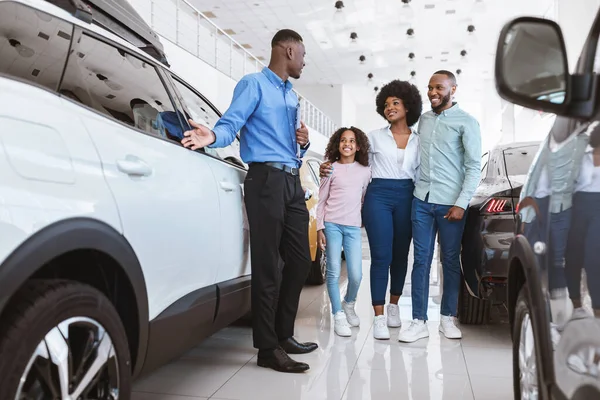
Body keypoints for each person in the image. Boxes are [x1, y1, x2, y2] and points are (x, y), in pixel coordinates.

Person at [180, 29, 317, 373]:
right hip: (265, 181)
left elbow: (291, 146)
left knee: (300, 260)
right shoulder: (253, 84)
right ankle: (267, 348)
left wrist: (303, 142)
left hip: (291, 180)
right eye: (302, 55)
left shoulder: (291, 95)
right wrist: (212, 136)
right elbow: (231, 123)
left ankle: (284, 334)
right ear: (288, 50)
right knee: (269, 265)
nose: (304, 61)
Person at [320, 80, 423, 340]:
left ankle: (393, 307)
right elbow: (353, 162)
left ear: (408, 106)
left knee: (401, 255)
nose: (390, 108)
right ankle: (377, 317)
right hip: (378, 197)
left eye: (395, 103)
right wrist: (327, 167)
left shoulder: (420, 141)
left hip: (407, 196)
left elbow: (421, 173)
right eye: (386, 104)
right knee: (381, 256)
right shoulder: (375, 137)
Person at [398, 70, 481, 343]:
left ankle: (447, 318)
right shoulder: (424, 119)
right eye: (430, 87)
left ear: (453, 89)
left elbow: (473, 167)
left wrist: (461, 203)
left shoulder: (467, 122)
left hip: (450, 205)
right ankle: (419, 321)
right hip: (422, 201)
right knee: (420, 260)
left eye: (439, 88)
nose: (433, 92)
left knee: (449, 261)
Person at [316, 127, 372, 337]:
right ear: (337, 144)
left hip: (352, 227)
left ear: (358, 147)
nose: (347, 144)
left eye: (351, 141)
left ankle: (348, 303)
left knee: (356, 275)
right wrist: (320, 227)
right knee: (332, 271)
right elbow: (321, 200)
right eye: (342, 140)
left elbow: (364, 198)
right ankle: (338, 314)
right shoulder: (330, 169)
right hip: (331, 224)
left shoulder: (366, 171)